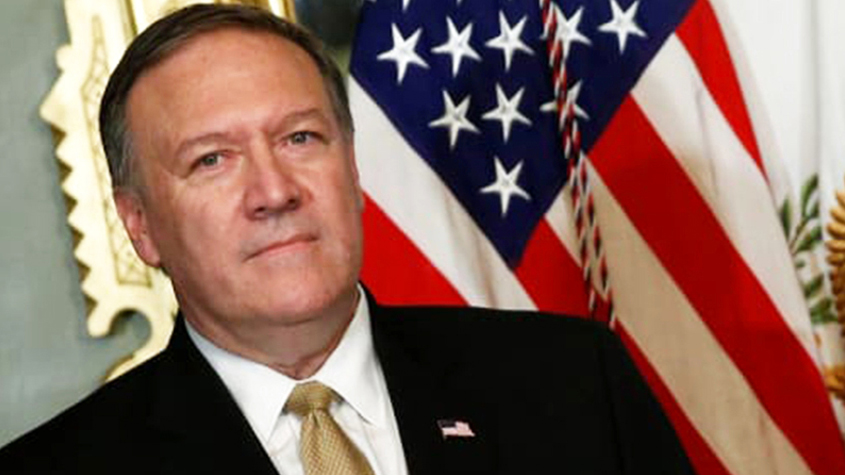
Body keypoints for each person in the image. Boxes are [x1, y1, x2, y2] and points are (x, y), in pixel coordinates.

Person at [0, 4, 695, 474]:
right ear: (140, 225)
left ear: (352, 167)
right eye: (211, 159)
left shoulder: (572, 384)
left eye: (300, 138)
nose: (274, 190)